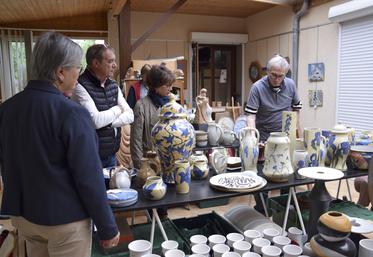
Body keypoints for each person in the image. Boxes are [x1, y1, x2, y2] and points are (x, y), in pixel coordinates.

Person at [0, 32, 119, 257]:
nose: (79, 74)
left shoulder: (7, 109)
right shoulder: (72, 113)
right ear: (60, 72)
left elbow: (6, 162)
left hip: (25, 217)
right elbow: (89, 177)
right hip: (65, 222)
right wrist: (107, 226)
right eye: (77, 68)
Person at [245, 55, 302, 214]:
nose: (277, 79)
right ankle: (262, 210)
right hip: (264, 137)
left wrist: (298, 135)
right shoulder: (257, 87)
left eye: (281, 76)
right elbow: (251, 116)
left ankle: (285, 209)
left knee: (287, 176)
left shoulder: (290, 85)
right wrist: (254, 139)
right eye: (273, 75)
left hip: (285, 138)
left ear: (285, 73)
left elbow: (296, 109)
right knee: (262, 177)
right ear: (267, 71)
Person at [72, 44, 134, 168]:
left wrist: (109, 123)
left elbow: (130, 115)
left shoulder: (112, 85)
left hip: (111, 154)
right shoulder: (80, 86)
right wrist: (118, 109)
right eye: (110, 61)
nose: (115, 65)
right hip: (89, 156)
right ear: (96, 63)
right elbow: (96, 121)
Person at [130, 64, 175, 170]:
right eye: (167, 85)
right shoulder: (141, 106)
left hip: (171, 162)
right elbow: (136, 142)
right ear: (156, 86)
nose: (171, 88)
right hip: (151, 164)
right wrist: (142, 169)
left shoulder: (171, 105)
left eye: (171, 85)